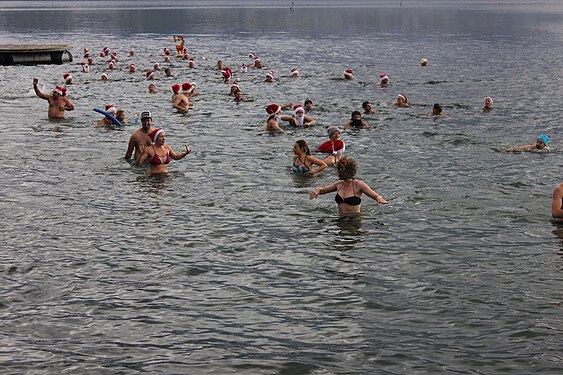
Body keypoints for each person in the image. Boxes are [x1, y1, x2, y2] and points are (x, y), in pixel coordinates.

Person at [309, 157, 388, 215]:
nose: (338, 173)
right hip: (340, 219)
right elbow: (322, 190)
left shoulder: (358, 185)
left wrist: (379, 199)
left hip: (354, 220)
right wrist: (317, 190)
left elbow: (376, 196)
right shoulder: (339, 184)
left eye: (340, 170)